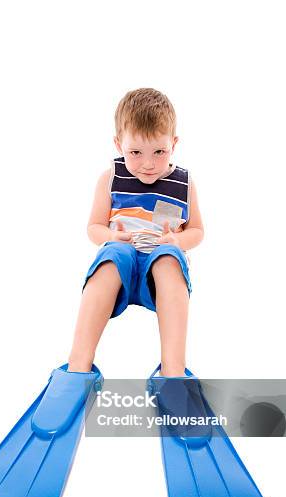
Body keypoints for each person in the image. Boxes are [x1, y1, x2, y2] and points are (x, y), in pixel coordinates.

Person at [68, 88, 204, 377]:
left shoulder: (184, 183)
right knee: (113, 255)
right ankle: (78, 365)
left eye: (159, 151)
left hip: (158, 266)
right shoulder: (110, 178)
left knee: (168, 259)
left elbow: (197, 231)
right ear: (119, 145)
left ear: (174, 143)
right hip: (122, 263)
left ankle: (173, 371)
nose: (148, 163)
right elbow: (93, 227)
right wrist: (109, 236)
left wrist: (176, 240)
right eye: (135, 152)